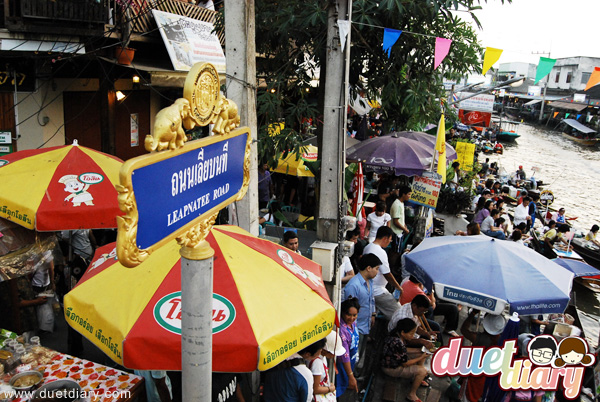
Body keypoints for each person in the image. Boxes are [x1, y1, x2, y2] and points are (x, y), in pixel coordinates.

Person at [460, 311, 506, 402]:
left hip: (475, 376)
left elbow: (464, 330)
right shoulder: (503, 341)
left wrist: (472, 314)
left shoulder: (479, 338)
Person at [342, 253, 381, 356]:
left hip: (366, 325)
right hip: (356, 327)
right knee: (355, 355)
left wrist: (372, 314)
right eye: (376, 268)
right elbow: (349, 308)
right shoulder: (353, 285)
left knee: (361, 353)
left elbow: (371, 299)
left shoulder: (370, 282)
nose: (377, 272)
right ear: (368, 268)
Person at [381, 318, 429, 402]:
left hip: (393, 361)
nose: (413, 336)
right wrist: (421, 357)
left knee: (421, 353)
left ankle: (417, 378)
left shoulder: (396, 335)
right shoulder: (398, 342)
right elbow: (405, 364)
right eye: (411, 333)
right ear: (403, 333)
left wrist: (421, 351)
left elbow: (403, 351)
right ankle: (411, 395)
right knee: (422, 371)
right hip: (391, 368)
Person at [364, 226, 403, 320]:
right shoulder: (380, 252)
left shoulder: (368, 247)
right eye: (390, 240)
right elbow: (387, 274)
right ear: (385, 238)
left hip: (370, 287)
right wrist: (398, 287)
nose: (390, 242)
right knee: (399, 313)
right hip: (377, 290)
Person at [303, 335, 339, 402]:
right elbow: (315, 389)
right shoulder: (317, 362)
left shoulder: (322, 358)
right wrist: (330, 389)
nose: (334, 355)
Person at [336, 298, 360, 396]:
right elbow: (345, 356)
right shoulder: (342, 331)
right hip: (343, 364)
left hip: (351, 361)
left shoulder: (353, 324)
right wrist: (350, 376)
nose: (351, 318)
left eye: (354, 315)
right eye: (348, 315)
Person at [390, 185, 412, 253]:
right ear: (403, 194)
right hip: (396, 232)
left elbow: (400, 218)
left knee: (398, 251)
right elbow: (395, 222)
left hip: (399, 232)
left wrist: (404, 225)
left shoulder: (401, 203)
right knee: (395, 252)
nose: (409, 196)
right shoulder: (397, 204)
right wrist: (404, 229)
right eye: (408, 194)